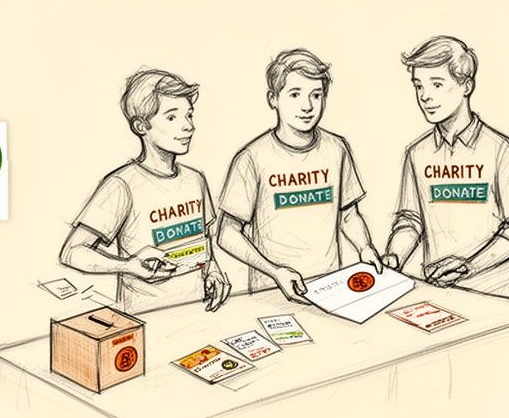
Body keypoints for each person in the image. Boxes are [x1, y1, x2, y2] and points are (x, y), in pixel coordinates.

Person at [59, 69, 231, 314]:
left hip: (198, 310)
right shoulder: (122, 184)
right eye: (171, 117)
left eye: (189, 115)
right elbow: (72, 252)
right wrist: (128, 265)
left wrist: (212, 269)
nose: (188, 126)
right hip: (145, 317)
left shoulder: (196, 180)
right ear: (141, 126)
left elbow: (202, 240)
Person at [217, 49, 382, 303]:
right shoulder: (251, 157)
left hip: (331, 287)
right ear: (273, 99)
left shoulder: (337, 148)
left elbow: (349, 215)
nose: (307, 106)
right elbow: (227, 233)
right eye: (295, 94)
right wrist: (275, 271)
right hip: (271, 292)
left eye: (316, 95)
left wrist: (365, 247)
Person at [382, 36, 509, 299]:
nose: (425, 96)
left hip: (499, 295)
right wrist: (394, 257)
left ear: (466, 85)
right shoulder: (417, 153)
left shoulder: (502, 149)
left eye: (437, 84)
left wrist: (469, 265)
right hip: (439, 292)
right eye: (419, 86)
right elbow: (411, 220)